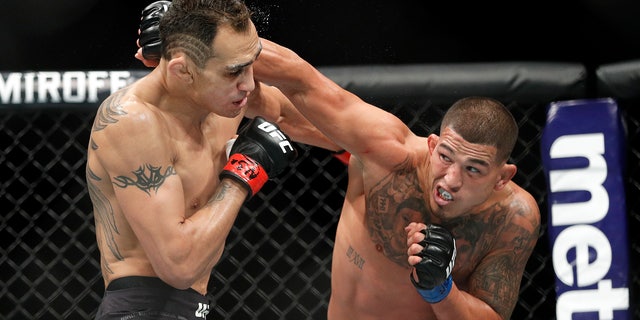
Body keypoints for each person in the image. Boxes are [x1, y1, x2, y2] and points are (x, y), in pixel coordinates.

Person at [136, 4, 541, 320]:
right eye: (446, 158)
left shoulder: (514, 217)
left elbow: (491, 314)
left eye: (473, 170)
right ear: (433, 144)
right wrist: (192, 32)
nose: (450, 179)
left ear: (503, 178)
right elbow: (301, 82)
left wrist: (442, 290)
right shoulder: (387, 153)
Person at [86, 1, 340, 319]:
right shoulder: (133, 121)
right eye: (235, 72)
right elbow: (178, 267)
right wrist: (243, 174)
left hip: (195, 308)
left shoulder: (225, 98)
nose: (249, 83)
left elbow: (327, 125)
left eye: (252, 65)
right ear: (183, 70)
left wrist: (363, 152)